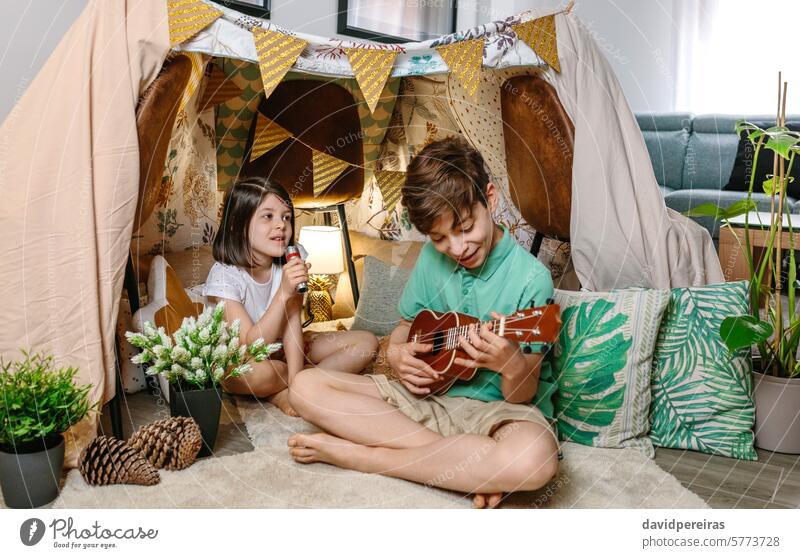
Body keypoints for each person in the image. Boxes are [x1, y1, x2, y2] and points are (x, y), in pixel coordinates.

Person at [287, 137, 559, 508]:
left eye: (465, 227)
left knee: (534, 459)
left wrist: (510, 365)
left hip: (502, 413)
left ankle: (366, 457)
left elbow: (523, 394)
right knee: (304, 386)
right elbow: (406, 325)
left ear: (490, 199)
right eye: (439, 238)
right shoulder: (433, 260)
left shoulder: (532, 280)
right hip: (427, 399)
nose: (458, 247)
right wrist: (397, 353)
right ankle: (462, 464)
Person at [203, 176, 378, 416]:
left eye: (286, 216)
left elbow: (293, 320)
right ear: (237, 223)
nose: (281, 225)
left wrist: (297, 383)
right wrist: (283, 292)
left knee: (366, 343)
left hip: (283, 351)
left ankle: (299, 384)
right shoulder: (225, 276)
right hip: (241, 361)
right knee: (261, 373)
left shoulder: (292, 259)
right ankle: (284, 389)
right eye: (268, 216)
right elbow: (250, 347)